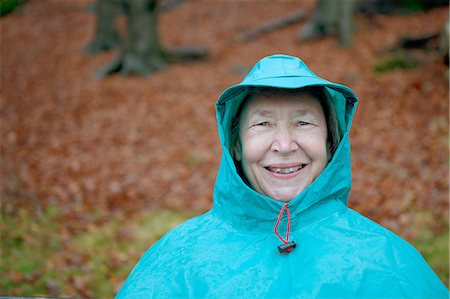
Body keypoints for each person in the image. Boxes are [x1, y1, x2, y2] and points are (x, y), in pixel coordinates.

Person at [115, 54, 448, 298]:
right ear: (236, 145)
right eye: (263, 124)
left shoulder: (386, 261)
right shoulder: (178, 262)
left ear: (331, 141)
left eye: (303, 123)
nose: (285, 145)